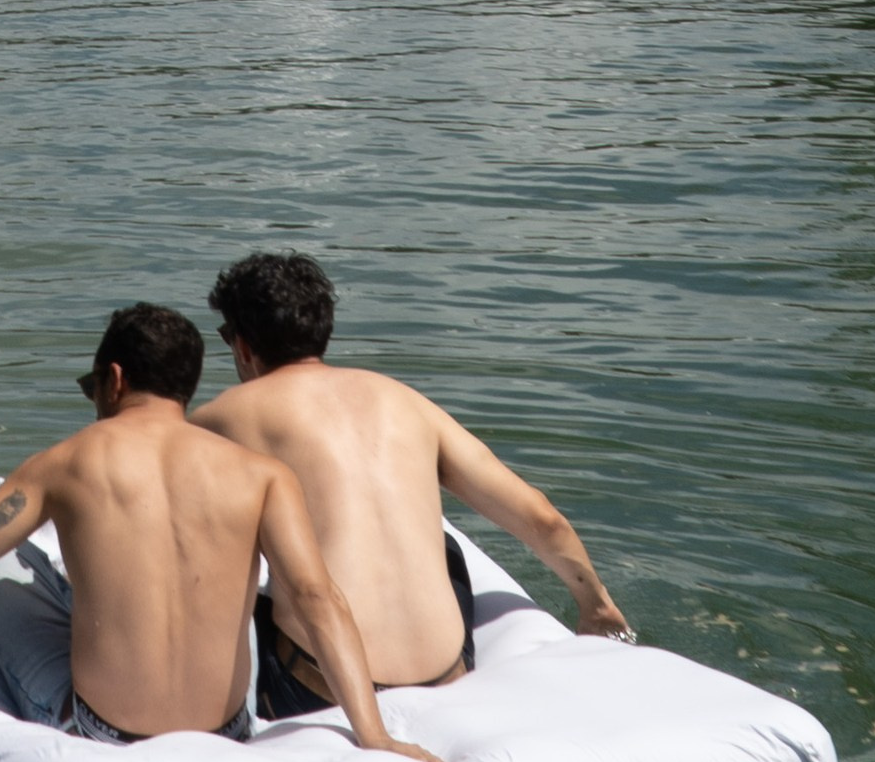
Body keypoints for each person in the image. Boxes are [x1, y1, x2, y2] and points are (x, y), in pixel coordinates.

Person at [0, 300, 448, 762]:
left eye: (92, 386)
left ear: (114, 379)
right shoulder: (261, 475)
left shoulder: (64, 464)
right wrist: (374, 735)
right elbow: (318, 598)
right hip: (229, 730)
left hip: (103, 734)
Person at [195, 249, 634, 713]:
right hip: (449, 672)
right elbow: (542, 519)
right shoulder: (406, 402)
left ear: (243, 346)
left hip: (316, 686)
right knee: (448, 551)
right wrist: (597, 606)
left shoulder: (222, 417)